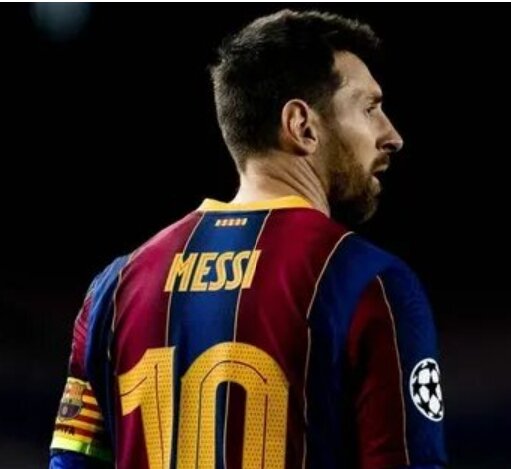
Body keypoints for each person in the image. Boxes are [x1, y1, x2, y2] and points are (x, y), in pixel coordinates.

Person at [49, 9, 447, 469]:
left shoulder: (114, 290)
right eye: (370, 109)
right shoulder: (371, 283)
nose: (392, 135)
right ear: (302, 125)